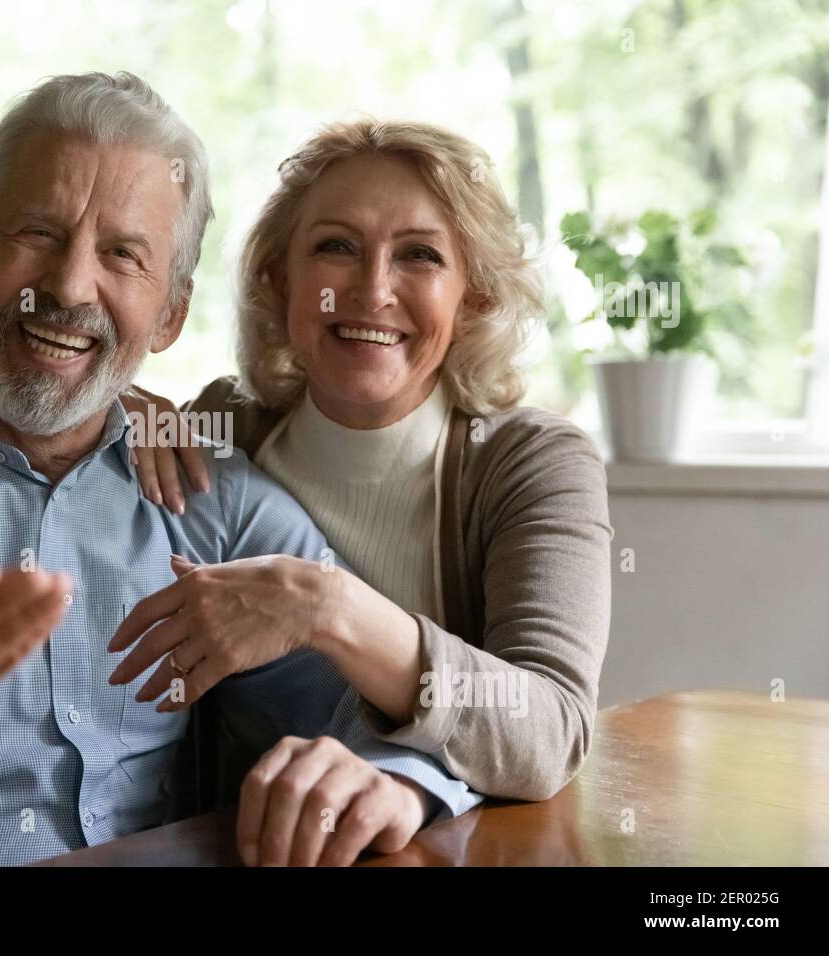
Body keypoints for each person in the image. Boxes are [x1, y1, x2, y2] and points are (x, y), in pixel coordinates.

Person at [0, 74, 480, 868]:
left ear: (170, 317)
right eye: (38, 234)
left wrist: (398, 781)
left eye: (122, 254)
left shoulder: (212, 499)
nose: (68, 286)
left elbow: (377, 717)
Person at [122, 119, 612, 802]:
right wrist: (112, 409)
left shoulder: (531, 464)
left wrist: (327, 606)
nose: (373, 290)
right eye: (336, 247)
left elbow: (551, 735)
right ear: (278, 278)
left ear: (472, 300)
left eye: (420, 256)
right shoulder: (224, 427)